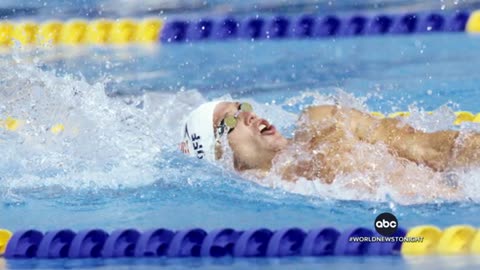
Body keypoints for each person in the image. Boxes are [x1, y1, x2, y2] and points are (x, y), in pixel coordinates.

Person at [180, 100, 480, 191]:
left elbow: (430, 148)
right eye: (230, 122)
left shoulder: (324, 123)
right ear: (226, 159)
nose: (248, 114)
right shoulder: (278, 195)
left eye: (241, 106)